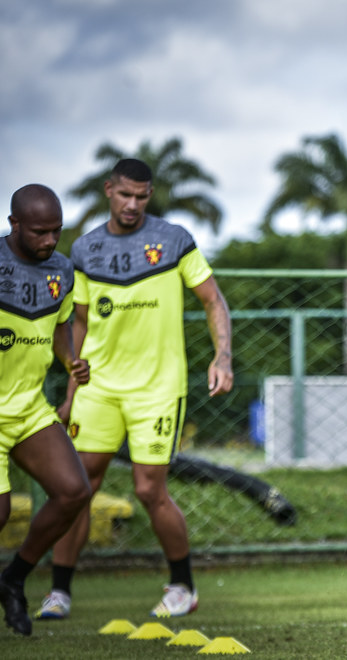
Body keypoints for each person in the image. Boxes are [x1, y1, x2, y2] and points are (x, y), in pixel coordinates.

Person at [37, 158, 234, 620]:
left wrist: (222, 356)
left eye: (141, 197)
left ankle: (182, 586)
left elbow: (213, 300)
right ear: (109, 190)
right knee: (77, 489)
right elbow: (79, 322)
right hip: (97, 389)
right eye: (125, 195)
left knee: (149, 490)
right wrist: (70, 391)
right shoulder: (84, 250)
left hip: (157, 389)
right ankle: (59, 592)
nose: (132, 204)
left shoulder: (174, 240)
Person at [0, 185, 92, 637]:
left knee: (74, 492)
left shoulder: (62, 270)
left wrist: (71, 361)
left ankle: (13, 580)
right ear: (14, 224)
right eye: (39, 232)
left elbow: (59, 328)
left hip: (28, 407)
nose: (49, 241)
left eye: (56, 231)